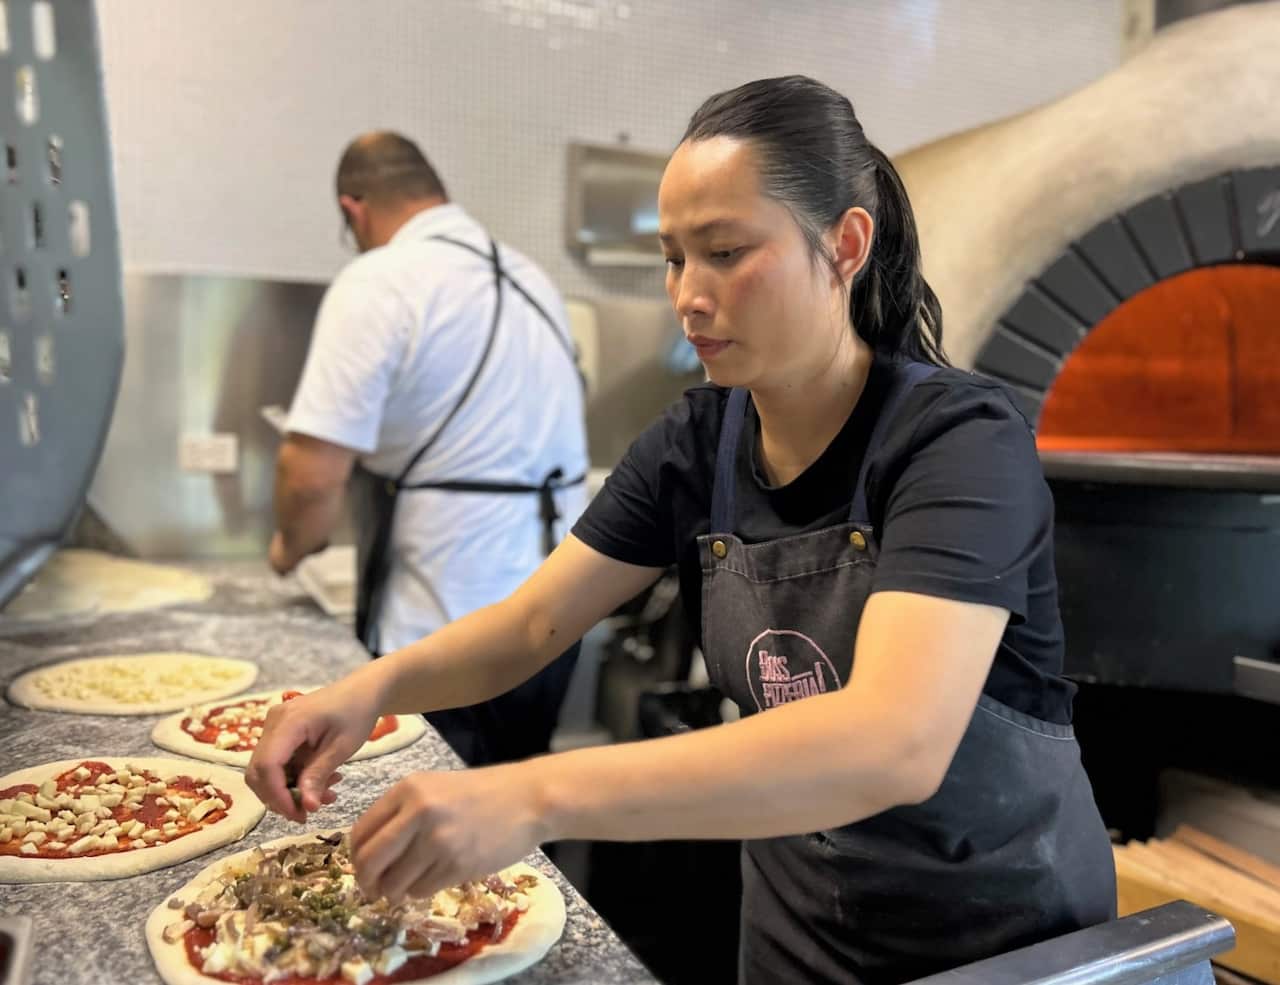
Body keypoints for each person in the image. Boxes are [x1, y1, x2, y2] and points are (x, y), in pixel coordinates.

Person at [249, 79, 1116, 984]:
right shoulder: (697, 442)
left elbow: (894, 739)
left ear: (846, 245)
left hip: (1002, 946)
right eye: (672, 259)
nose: (688, 297)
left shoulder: (957, 441)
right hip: (798, 935)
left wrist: (531, 794)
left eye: (726, 252)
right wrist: (366, 690)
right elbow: (531, 627)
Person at [268, 131, 588, 766]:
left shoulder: (380, 280)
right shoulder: (532, 278)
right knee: (515, 826)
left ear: (352, 210)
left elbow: (310, 476)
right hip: (557, 612)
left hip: (441, 632)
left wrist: (288, 551)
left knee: (433, 829)